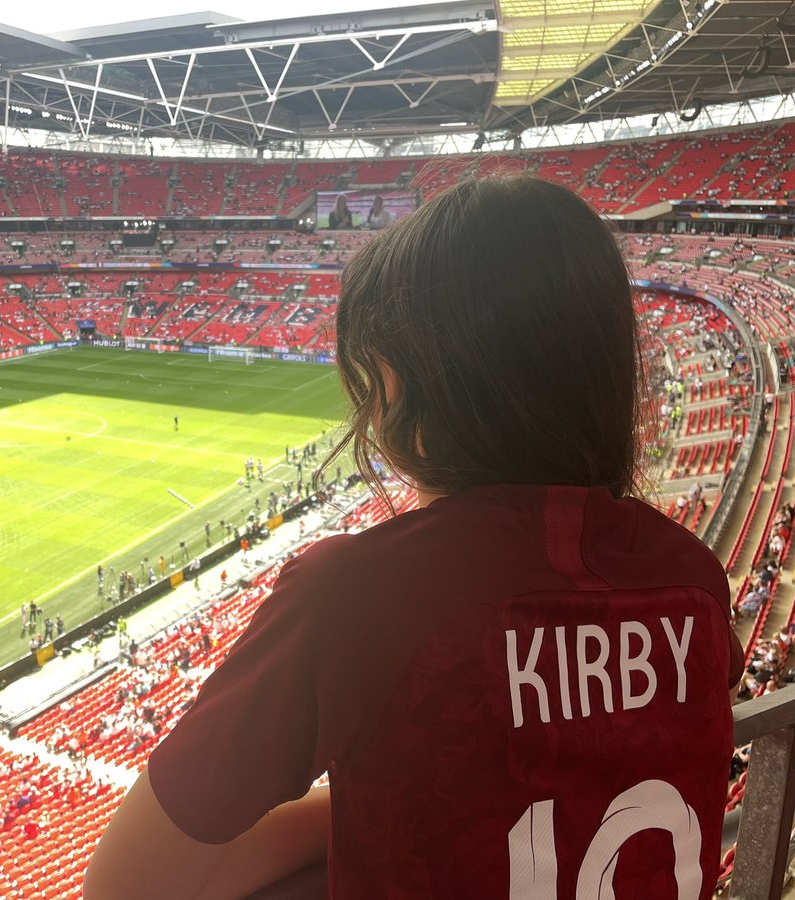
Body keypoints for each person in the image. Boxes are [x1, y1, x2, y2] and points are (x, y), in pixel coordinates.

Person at [85, 176, 742, 899]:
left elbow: (123, 885)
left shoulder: (363, 593)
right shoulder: (694, 578)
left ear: (405, 381)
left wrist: (364, 806)